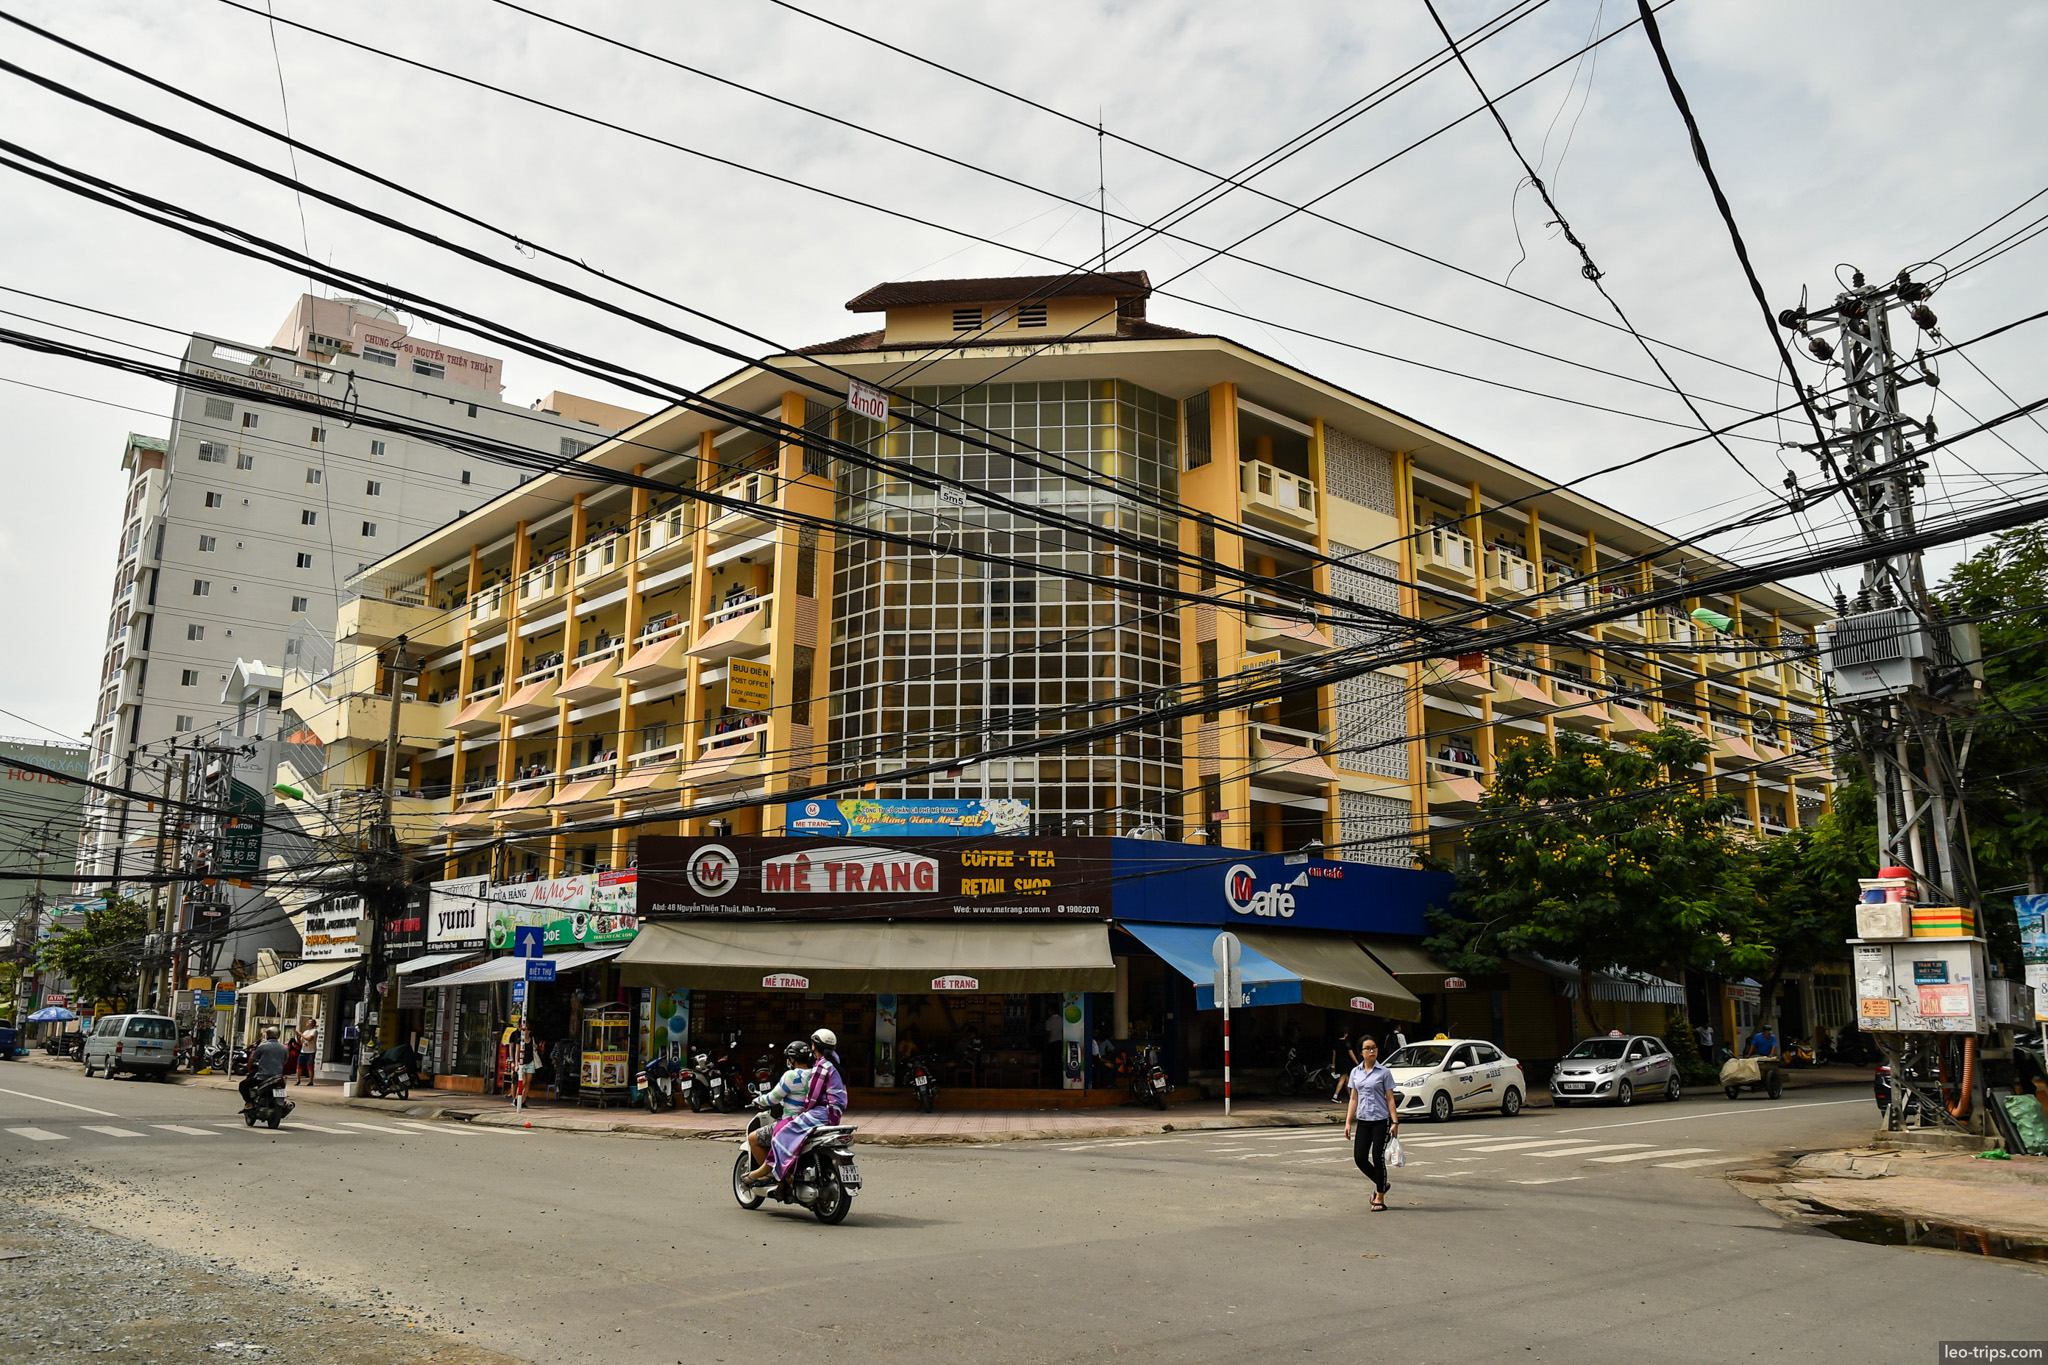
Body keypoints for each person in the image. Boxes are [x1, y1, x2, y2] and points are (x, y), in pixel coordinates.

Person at [746, 1028, 850, 1189]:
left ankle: (771, 1171)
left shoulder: (818, 1067)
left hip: (823, 1112)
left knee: (783, 1131)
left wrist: (806, 1110)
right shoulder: (832, 1063)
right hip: (834, 1112)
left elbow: (812, 1095)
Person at [1343, 1035, 1399, 1211]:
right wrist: (1348, 1122)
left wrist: (1395, 1122)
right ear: (1361, 1052)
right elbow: (1353, 1098)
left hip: (1381, 1121)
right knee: (1360, 1158)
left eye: (1374, 1047)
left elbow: (1390, 1099)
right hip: (1364, 1121)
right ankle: (1382, 1183)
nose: (1372, 1051)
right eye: (1368, 1048)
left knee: (1377, 1157)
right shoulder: (1355, 1073)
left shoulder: (1384, 1072)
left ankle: (1380, 1197)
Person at [743, 1041, 813, 1181]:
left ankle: (772, 1175)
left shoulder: (791, 1076)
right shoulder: (816, 1075)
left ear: (792, 1059)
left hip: (791, 1123)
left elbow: (772, 1099)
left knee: (753, 1138)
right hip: (812, 1121)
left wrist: (758, 1100)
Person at [240, 1026, 291, 1111]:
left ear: (267, 1035)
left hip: (263, 1077)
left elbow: (252, 1059)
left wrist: (247, 1066)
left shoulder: (262, 1047)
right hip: (278, 1076)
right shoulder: (284, 1048)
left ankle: (249, 1103)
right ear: (278, 1035)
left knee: (243, 1085)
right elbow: (285, 1061)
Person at [1329, 1030, 1355, 1104]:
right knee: (1342, 1079)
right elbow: (1351, 1054)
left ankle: (1351, 1097)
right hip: (1345, 1063)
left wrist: (1333, 1064)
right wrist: (1357, 1062)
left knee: (1346, 1080)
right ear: (1345, 1034)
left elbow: (1334, 1055)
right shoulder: (1346, 1042)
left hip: (1338, 1063)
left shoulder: (1336, 1043)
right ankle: (1335, 1096)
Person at [295, 1019, 317, 1084]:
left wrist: (301, 1034)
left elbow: (309, 1039)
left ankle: (311, 1081)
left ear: (313, 1024)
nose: (308, 1022)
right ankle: (298, 1080)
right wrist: (298, 1036)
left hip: (310, 1051)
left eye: (310, 1022)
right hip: (303, 1051)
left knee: (310, 1067)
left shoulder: (314, 1031)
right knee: (299, 1066)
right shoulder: (305, 1031)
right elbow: (301, 1042)